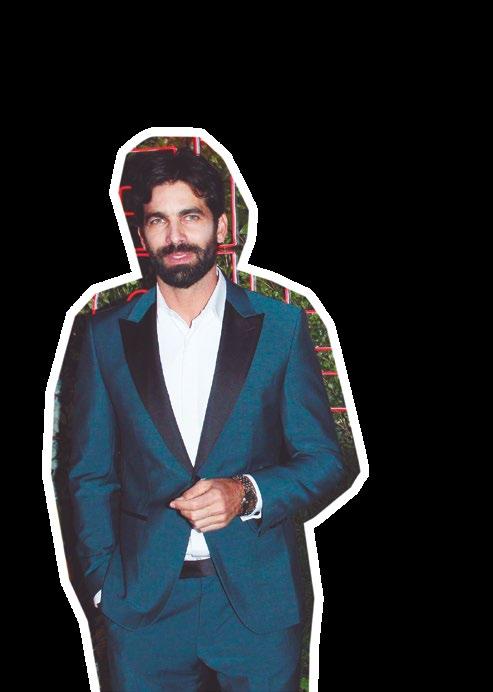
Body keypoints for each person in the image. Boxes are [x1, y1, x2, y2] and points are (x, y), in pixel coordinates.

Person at [68, 147, 355, 691]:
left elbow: (324, 461)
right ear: (143, 233)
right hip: (143, 608)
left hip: (256, 607)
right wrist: (104, 584)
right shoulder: (107, 338)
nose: (175, 236)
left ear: (221, 226)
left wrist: (246, 493)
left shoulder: (280, 327)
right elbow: (89, 473)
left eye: (191, 216)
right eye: (159, 220)